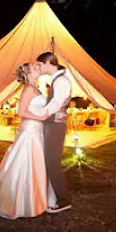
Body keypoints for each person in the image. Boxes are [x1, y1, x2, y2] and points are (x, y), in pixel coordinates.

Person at [0, 62, 56, 219]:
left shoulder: (35, 88)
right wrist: (40, 117)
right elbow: (21, 112)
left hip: (36, 130)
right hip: (30, 131)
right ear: (27, 73)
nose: (37, 67)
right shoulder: (28, 89)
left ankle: (36, 199)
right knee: (28, 163)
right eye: (34, 67)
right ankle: (23, 201)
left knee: (36, 164)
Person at [37, 52, 73, 213]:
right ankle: (55, 196)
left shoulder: (62, 81)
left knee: (52, 163)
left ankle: (64, 200)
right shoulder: (57, 80)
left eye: (40, 64)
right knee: (50, 162)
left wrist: (42, 114)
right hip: (53, 124)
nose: (39, 67)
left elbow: (57, 103)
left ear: (48, 62)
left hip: (56, 125)